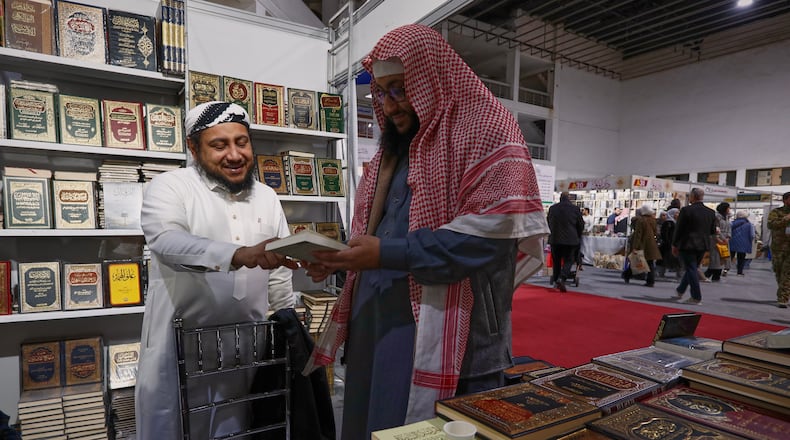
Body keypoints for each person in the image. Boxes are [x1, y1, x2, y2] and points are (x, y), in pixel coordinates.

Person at [300, 24, 549, 439]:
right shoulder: (393, 148)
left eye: (399, 88)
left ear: (428, 78)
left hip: (453, 336)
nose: (390, 105)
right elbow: (381, 226)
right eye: (380, 93)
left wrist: (383, 255)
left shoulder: (486, 126)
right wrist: (341, 257)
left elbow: (488, 235)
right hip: (375, 324)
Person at [135, 101, 298, 439]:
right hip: (178, 348)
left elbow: (279, 265)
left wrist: (287, 318)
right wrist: (239, 254)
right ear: (194, 148)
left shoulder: (267, 196)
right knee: (176, 428)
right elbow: (167, 242)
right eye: (219, 145)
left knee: (238, 428)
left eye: (242, 142)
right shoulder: (170, 186)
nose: (235, 155)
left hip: (245, 348)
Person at [672, 188, 717, 305]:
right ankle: (680, 290)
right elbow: (712, 230)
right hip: (703, 244)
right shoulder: (710, 212)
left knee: (691, 268)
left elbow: (679, 229)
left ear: (692, 196)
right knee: (692, 267)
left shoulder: (686, 210)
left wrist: (674, 244)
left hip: (688, 243)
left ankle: (696, 297)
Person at [547, 192, 584, 292]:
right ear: (569, 198)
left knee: (556, 261)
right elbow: (580, 224)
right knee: (569, 259)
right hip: (570, 239)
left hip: (555, 239)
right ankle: (562, 278)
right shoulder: (575, 209)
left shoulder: (553, 208)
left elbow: (548, 222)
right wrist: (578, 235)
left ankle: (556, 279)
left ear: (560, 198)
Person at [623, 204, 661, 287]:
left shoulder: (641, 220)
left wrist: (635, 246)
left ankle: (627, 275)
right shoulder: (653, 220)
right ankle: (650, 281)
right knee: (650, 263)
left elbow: (638, 235)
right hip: (651, 243)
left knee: (636, 261)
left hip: (642, 243)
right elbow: (655, 232)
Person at [767, 191, 790, 308]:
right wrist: (786, 219)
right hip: (778, 248)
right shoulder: (776, 212)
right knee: (779, 272)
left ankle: (783, 298)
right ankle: (783, 293)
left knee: (787, 274)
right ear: (785, 200)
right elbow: (771, 225)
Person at [704, 202, 731, 281]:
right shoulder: (716, 217)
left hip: (725, 240)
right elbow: (714, 229)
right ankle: (710, 275)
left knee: (723, 258)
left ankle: (716, 275)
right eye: (728, 208)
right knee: (716, 259)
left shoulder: (726, 218)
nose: (729, 210)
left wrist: (728, 238)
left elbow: (729, 229)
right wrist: (719, 239)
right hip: (716, 240)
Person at [729, 210, 755, 276]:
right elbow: (752, 235)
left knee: (730, 256)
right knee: (741, 258)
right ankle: (739, 272)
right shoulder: (749, 224)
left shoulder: (732, 223)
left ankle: (725, 269)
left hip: (732, 242)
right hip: (744, 243)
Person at [657, 208, 680, 278]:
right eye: (676, 213)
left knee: (672, 260)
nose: (678, 215)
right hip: (668, 245)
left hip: (672, 244)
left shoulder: (675, 222)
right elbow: (665, 234)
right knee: (665, 259)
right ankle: (660, 273)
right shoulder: (668, 223)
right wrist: (669, 242)